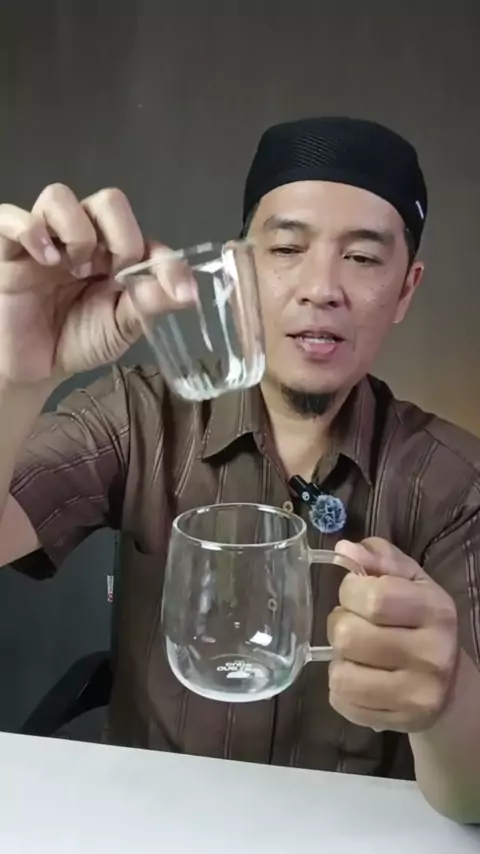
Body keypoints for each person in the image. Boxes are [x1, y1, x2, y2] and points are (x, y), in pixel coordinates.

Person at [0, 116, 479, 823]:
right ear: (239, 269)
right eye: (286, 247)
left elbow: (472, 797)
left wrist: (449, 697)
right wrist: (14, 379)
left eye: (362, 258)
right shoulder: (139, 416)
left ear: (406, 290)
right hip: (152, 821)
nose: (321, 288)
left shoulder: (455, 481)